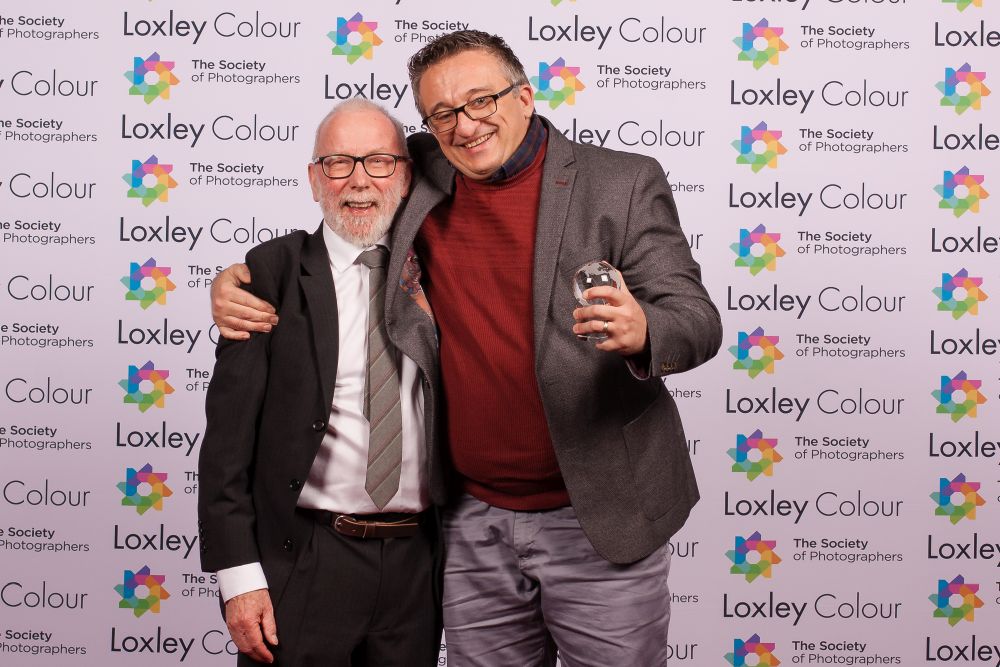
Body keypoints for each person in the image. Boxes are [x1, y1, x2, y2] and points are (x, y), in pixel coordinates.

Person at [211, 30, 722, 667]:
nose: (467, 124)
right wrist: (241, 276)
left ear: (527, 96)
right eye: (443, 113)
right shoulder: (420, 167)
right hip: (469, 520)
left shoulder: (620, 181)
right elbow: (349, 185)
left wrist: (645, 330)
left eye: (482, 100)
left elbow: (695, 317)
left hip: (598, 514)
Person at [198, 99, 445, 667]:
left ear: (407, 175)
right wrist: (239, 577)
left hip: (418, 565)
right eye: (337, 163)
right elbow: (226, 447)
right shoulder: (269, 274)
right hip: (307, 557)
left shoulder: (443, 271)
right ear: (314, 179)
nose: (359, 181)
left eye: (380, 162)